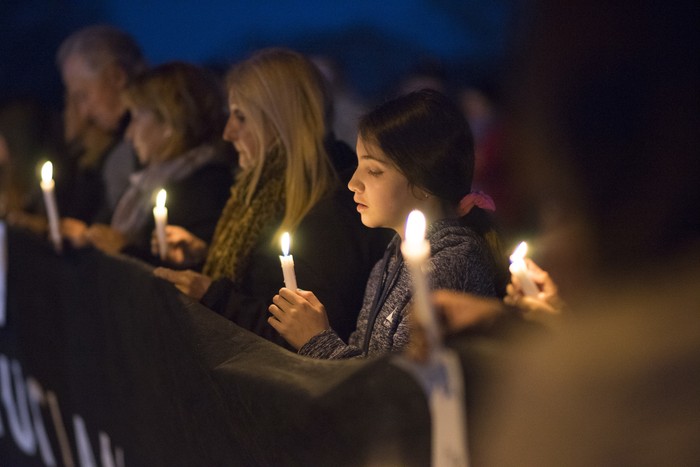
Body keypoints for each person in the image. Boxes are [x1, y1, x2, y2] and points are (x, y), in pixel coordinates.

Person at [154, 48, 388, 348]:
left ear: (280, 122)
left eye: (241, 117)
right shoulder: (265, 192)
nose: (227, 133)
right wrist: (203, 255)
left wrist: (214, 296)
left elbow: (310, 340)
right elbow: (260, 281)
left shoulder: (331, 209)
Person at [267, 89, 509, 359]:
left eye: (374, 171)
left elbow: (400, 390)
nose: (352, 183)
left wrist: (316, 341)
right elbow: (365, 354)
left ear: (423, 180)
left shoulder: (448, 265)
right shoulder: (390, 258)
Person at [61, 62, 233, 264]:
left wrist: (125, 249)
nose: (128, 134)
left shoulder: (205, 189)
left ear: (169, 123)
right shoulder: (148, 181)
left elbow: (185, 274)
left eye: (136, 117)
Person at [56, 24, 147, 227]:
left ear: (117, 76)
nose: (84, 113)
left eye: (84, 96)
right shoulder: (110, 143)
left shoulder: (146, 144)